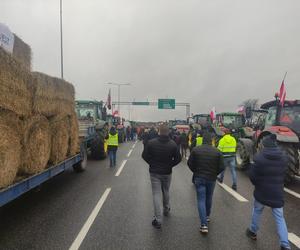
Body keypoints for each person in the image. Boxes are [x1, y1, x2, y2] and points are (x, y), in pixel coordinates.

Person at [246, 134, 290, 250]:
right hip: (277, 193)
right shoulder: (284, 157)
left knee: (257, 211)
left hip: (261, 192)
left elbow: (252, 176)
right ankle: (285, 244)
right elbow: (284, 174)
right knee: (280, 218)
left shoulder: (259, 158)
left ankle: (253, 232)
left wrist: (257, 185)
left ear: (264, 145)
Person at [142, 124, 182, 229]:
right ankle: (166, 208)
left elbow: (144, 156)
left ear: (159, 132)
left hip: (154, 172)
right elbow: (178, 159)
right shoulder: (173, 144)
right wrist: (170, 165)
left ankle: (158, 220)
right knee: (166, 190)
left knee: (156, 194)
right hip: (167, 172)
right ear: (168, 132)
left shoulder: (151, 143)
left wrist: (151, 163)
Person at [187, 132, 224, 234]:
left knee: (201, 200)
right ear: (211, 141)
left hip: (199, 177)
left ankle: (203, 225)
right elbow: (222, 167)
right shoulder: (217, 151)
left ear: (203, 140)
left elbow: (189, 163)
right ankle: (207, 216)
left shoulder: (196, 150)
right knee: (209, 197)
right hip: (211, 178)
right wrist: (214, 173)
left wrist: (196, 171)